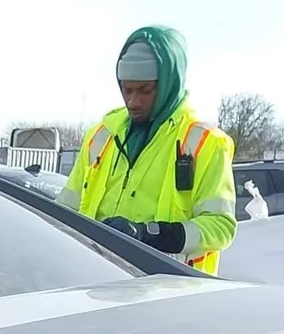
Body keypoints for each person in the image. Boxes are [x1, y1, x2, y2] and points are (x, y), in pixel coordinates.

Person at [58, 26, 237, 274]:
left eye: (145, 90)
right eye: (126, 89)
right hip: (98, 277)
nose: (133, 101)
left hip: (169, 287)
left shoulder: (206, 143)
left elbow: (221, 227)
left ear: (168, 84)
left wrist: (149, 234)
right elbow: (63, 212)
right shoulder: (100, 136)